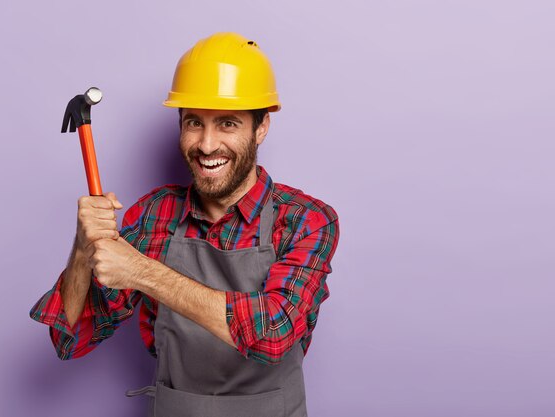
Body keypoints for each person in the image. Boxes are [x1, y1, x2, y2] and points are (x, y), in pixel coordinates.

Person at [30, 32, 339, 417]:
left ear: (261, 128)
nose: (207, 145)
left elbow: (273, 333)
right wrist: (82, 247)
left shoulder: (304, 220)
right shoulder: (154, 215)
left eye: (227, 124)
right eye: (194, 122)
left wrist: (144, 273)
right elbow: (69, 339)